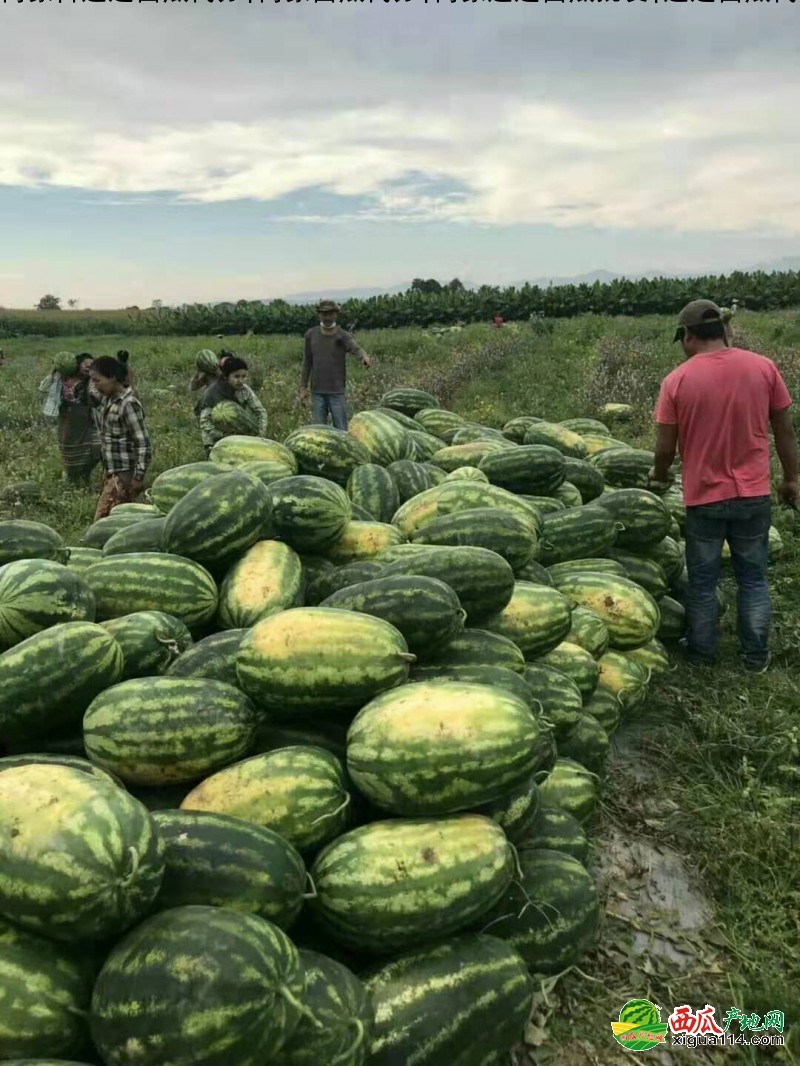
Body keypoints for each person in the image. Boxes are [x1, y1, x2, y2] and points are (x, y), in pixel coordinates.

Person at [651, 299, 798, 672]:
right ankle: (755, 657)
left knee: (702, 581)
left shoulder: (677, 380)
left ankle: (702, 653)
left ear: (687, 335)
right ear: (724, 330)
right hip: (753, 494)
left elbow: (665, 448)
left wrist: (660, 474)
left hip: (704, 497)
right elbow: (784, 432)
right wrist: (792, 479)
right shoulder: (763, 368)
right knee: (753, 578)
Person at [90, 354, 153, 520]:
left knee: (103, 521)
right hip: (112, 471)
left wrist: (138, 477)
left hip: (125, 473)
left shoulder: (128, 404)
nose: (95, 386)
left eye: (97, 381)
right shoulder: (108, 399)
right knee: (118, 518)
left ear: (112, 377)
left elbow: (143, 443)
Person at [298, 299, 371, 430]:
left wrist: (364, 357)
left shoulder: (342, 335)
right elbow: (307, 362)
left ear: (336, 314)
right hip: (317, 392)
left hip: (336, 391)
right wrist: (303, 387)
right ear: (319, 315)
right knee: (320, 431)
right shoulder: (311, 335)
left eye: (330, 314)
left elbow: (356, 348)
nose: (327, 317)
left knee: (341, 429)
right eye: (324, 314)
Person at [198, 355, 268, 457]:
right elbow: (204, 423)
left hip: (236, 433)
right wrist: (223, 436)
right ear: (226, 377)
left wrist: (260, 434)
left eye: (244, 376)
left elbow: (260, 411)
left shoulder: (245, 390)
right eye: (236, 377)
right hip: (214, 438)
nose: (241, 380)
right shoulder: (212, 393)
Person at [56, 352, 101, 484]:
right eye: (85, 364)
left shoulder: (91, 381)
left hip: (86, 421)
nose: (88, 367)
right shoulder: (63, 379)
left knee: (96, 449)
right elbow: (45, 389)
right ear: (77, 365)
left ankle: (85, 474)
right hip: (68, 422)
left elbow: (96, 398)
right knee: (71, 454)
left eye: (91, 365)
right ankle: (73, 479)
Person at [189, 349, 222, 414]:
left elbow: (228, 382)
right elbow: (193, 388)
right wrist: (198, 371)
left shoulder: (224, 369)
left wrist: (217, 371)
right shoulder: (206, 374)